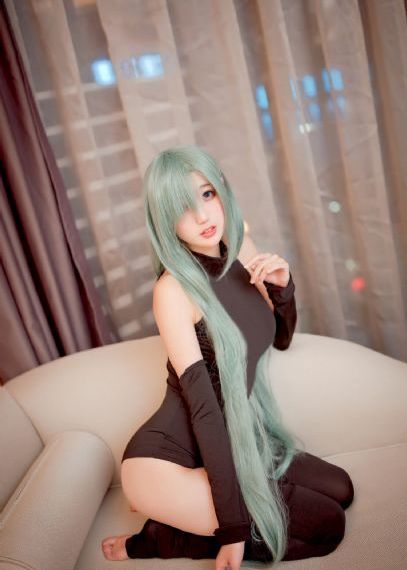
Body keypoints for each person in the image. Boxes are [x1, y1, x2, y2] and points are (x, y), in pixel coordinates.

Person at [102, 145, 354, 567]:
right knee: (328, 525)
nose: (203, 216)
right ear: (164, 221)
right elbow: (204, 411)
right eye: (182, 207)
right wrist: (232, 532)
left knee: (341, 489)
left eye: (207, 194)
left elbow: (280, 340)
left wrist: (282, 287)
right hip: (166, 463)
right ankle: (161, 538)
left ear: (221, 189)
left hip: (235, 442)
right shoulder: (172, 291)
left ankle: (179, 518)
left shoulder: (239, 248)